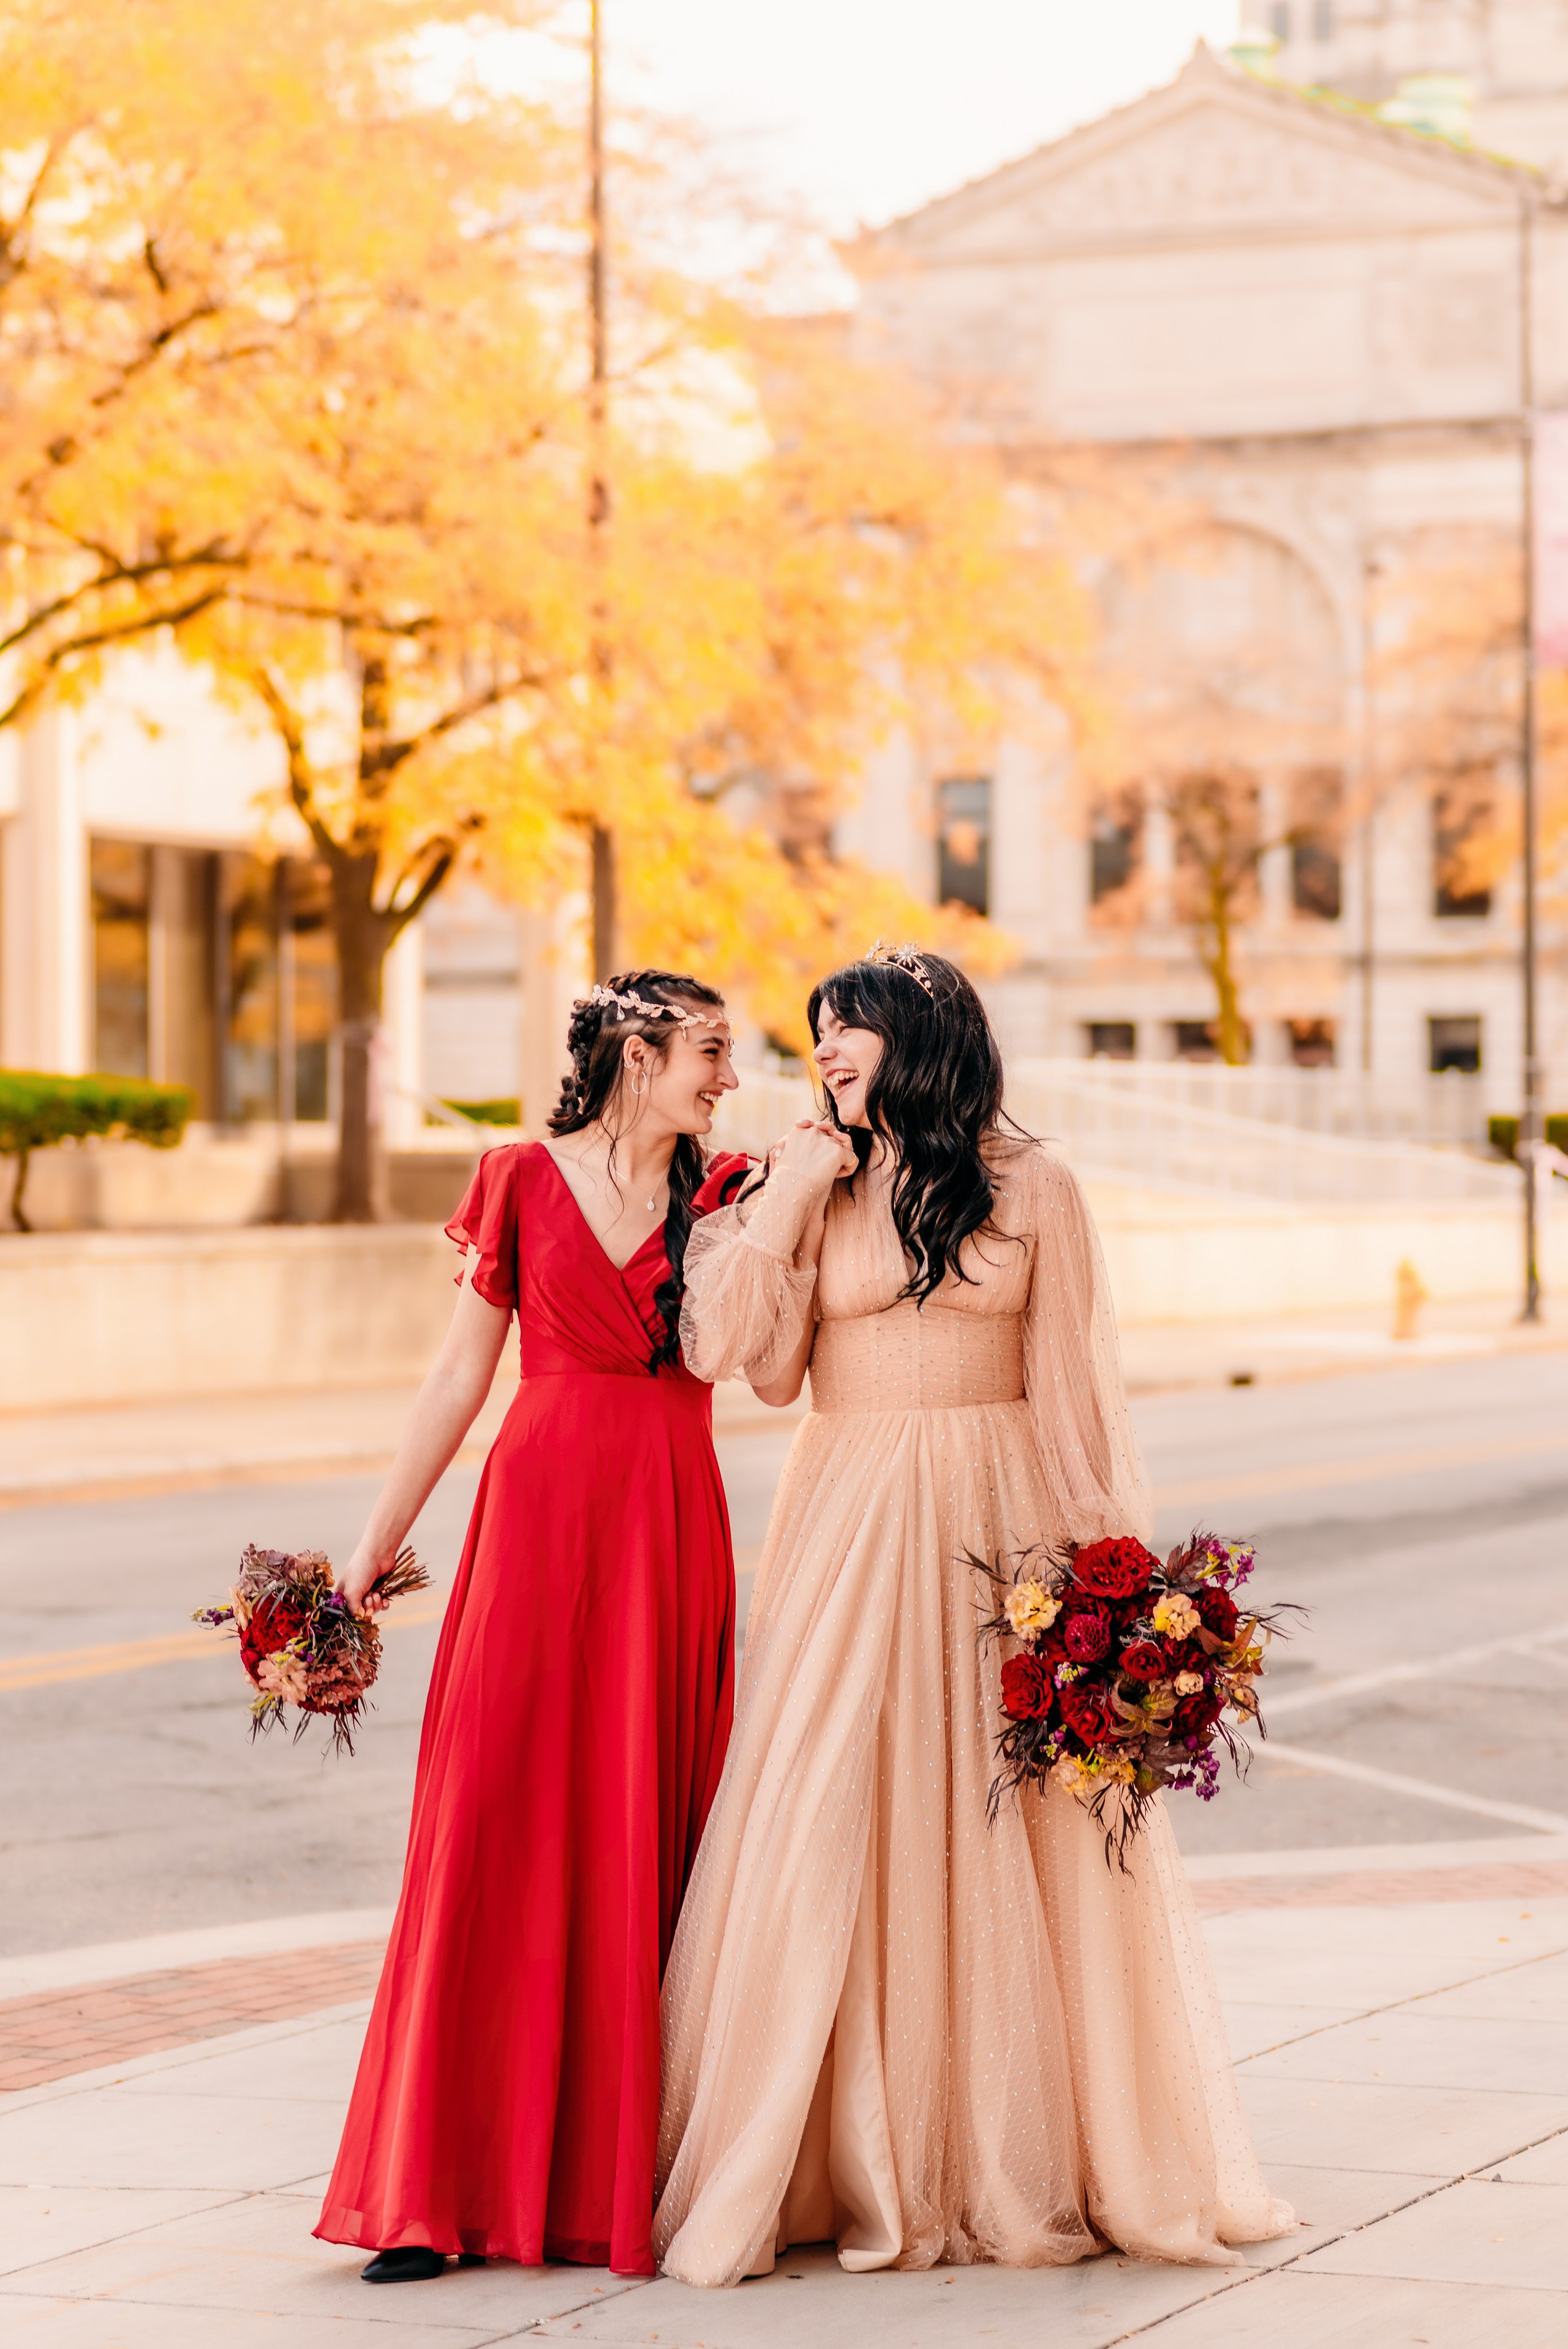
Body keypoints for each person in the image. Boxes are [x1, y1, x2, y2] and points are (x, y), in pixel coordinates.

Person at [654, 946, 1295, 2285]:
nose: (824, 1048)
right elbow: (742, 1362)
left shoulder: (1036, 1185)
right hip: (845, 1523)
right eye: (815, 1029)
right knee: (831, 1804)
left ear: (923, 1036)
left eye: (850, 1029)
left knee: (1013, 1828)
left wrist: (1124, 1601)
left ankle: (1026, 2148)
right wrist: (789, 1196)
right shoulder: (810, 1178)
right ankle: (826, 2151)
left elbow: (1078, 1398)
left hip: (1004, 1533)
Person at [315, 970, 747, 2283]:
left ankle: (630, 2180)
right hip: (539, 1518)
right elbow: (458, 1372)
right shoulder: (512, 1176)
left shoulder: (729, 1193)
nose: (729, 1076)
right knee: (489, 1824)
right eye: (709, 1051)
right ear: (637, 1048)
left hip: (670, 1530)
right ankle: (430, 2194)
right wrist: (366, 1552)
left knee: (652, 1828)